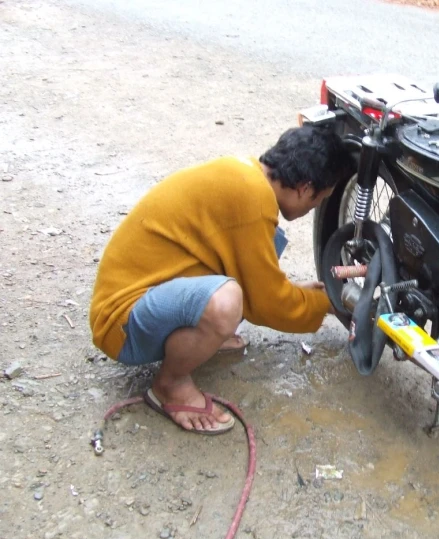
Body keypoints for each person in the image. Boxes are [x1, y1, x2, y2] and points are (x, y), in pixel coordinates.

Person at [89, 126, 355, 434]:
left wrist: (301, 296)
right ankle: (170, 385)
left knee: (268, 243)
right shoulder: (252, 198)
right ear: (304, 188)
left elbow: (257, 278)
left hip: (144, 297)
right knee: (225, 302)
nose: (314, 207)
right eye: (319, 199)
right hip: (120, 321)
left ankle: (202, 335)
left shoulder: (247, 176)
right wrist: (330, 301)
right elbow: (268, 302)